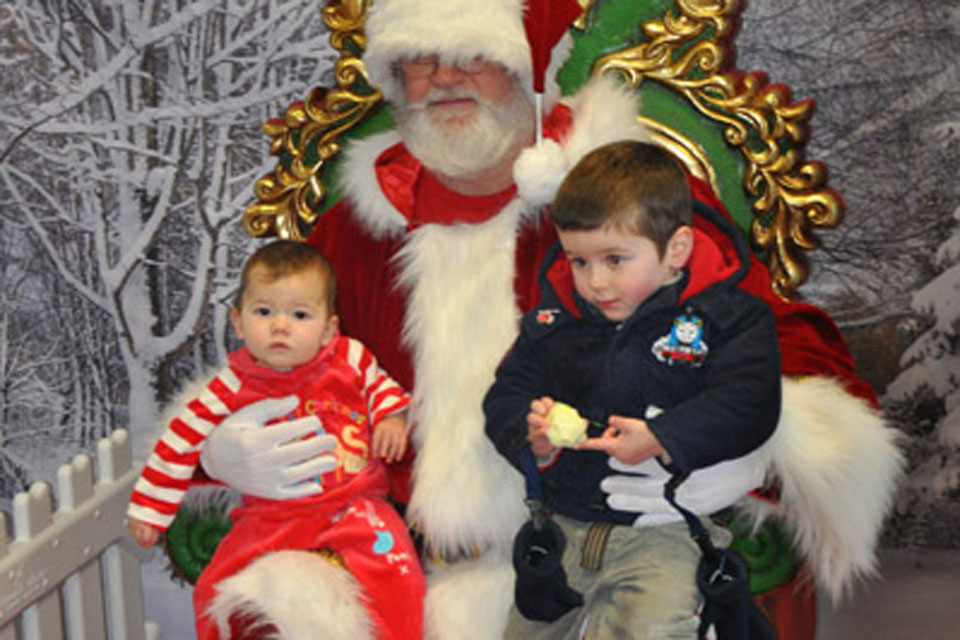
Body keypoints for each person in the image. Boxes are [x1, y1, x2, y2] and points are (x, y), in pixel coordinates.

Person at [194, 1, 902, 638]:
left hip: (584, 547)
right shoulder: (355, 226)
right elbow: (277, 354)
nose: (444, 77)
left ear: (527, 66)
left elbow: (772, 335)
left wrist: (741, 446)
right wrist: (225, 446)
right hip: (387, 555)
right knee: (273, 604)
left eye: (474, 53)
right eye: (418, 59)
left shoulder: (621, 197)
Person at [483, 140, 781, 637]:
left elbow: (749, 402)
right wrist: (528, 433)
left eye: (615, 259)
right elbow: (505, 395)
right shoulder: (553, 322)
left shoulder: (732, 320)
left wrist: (665, 436)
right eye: (579, 262)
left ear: (676, 249)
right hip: (561, 534)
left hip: (665, 535)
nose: (595, 281)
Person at [128, 240, 425, 640]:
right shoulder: (231, 384)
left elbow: (382, 390)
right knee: (214, 586)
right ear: (238, 321)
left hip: (354, 507)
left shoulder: (350, 359)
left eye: (300, 314)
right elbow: (178, 443)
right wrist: (150, 510)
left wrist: (390, 418)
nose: (280, 326)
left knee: (399, 574)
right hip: (270, 516)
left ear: (327, 329)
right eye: (264, 311)